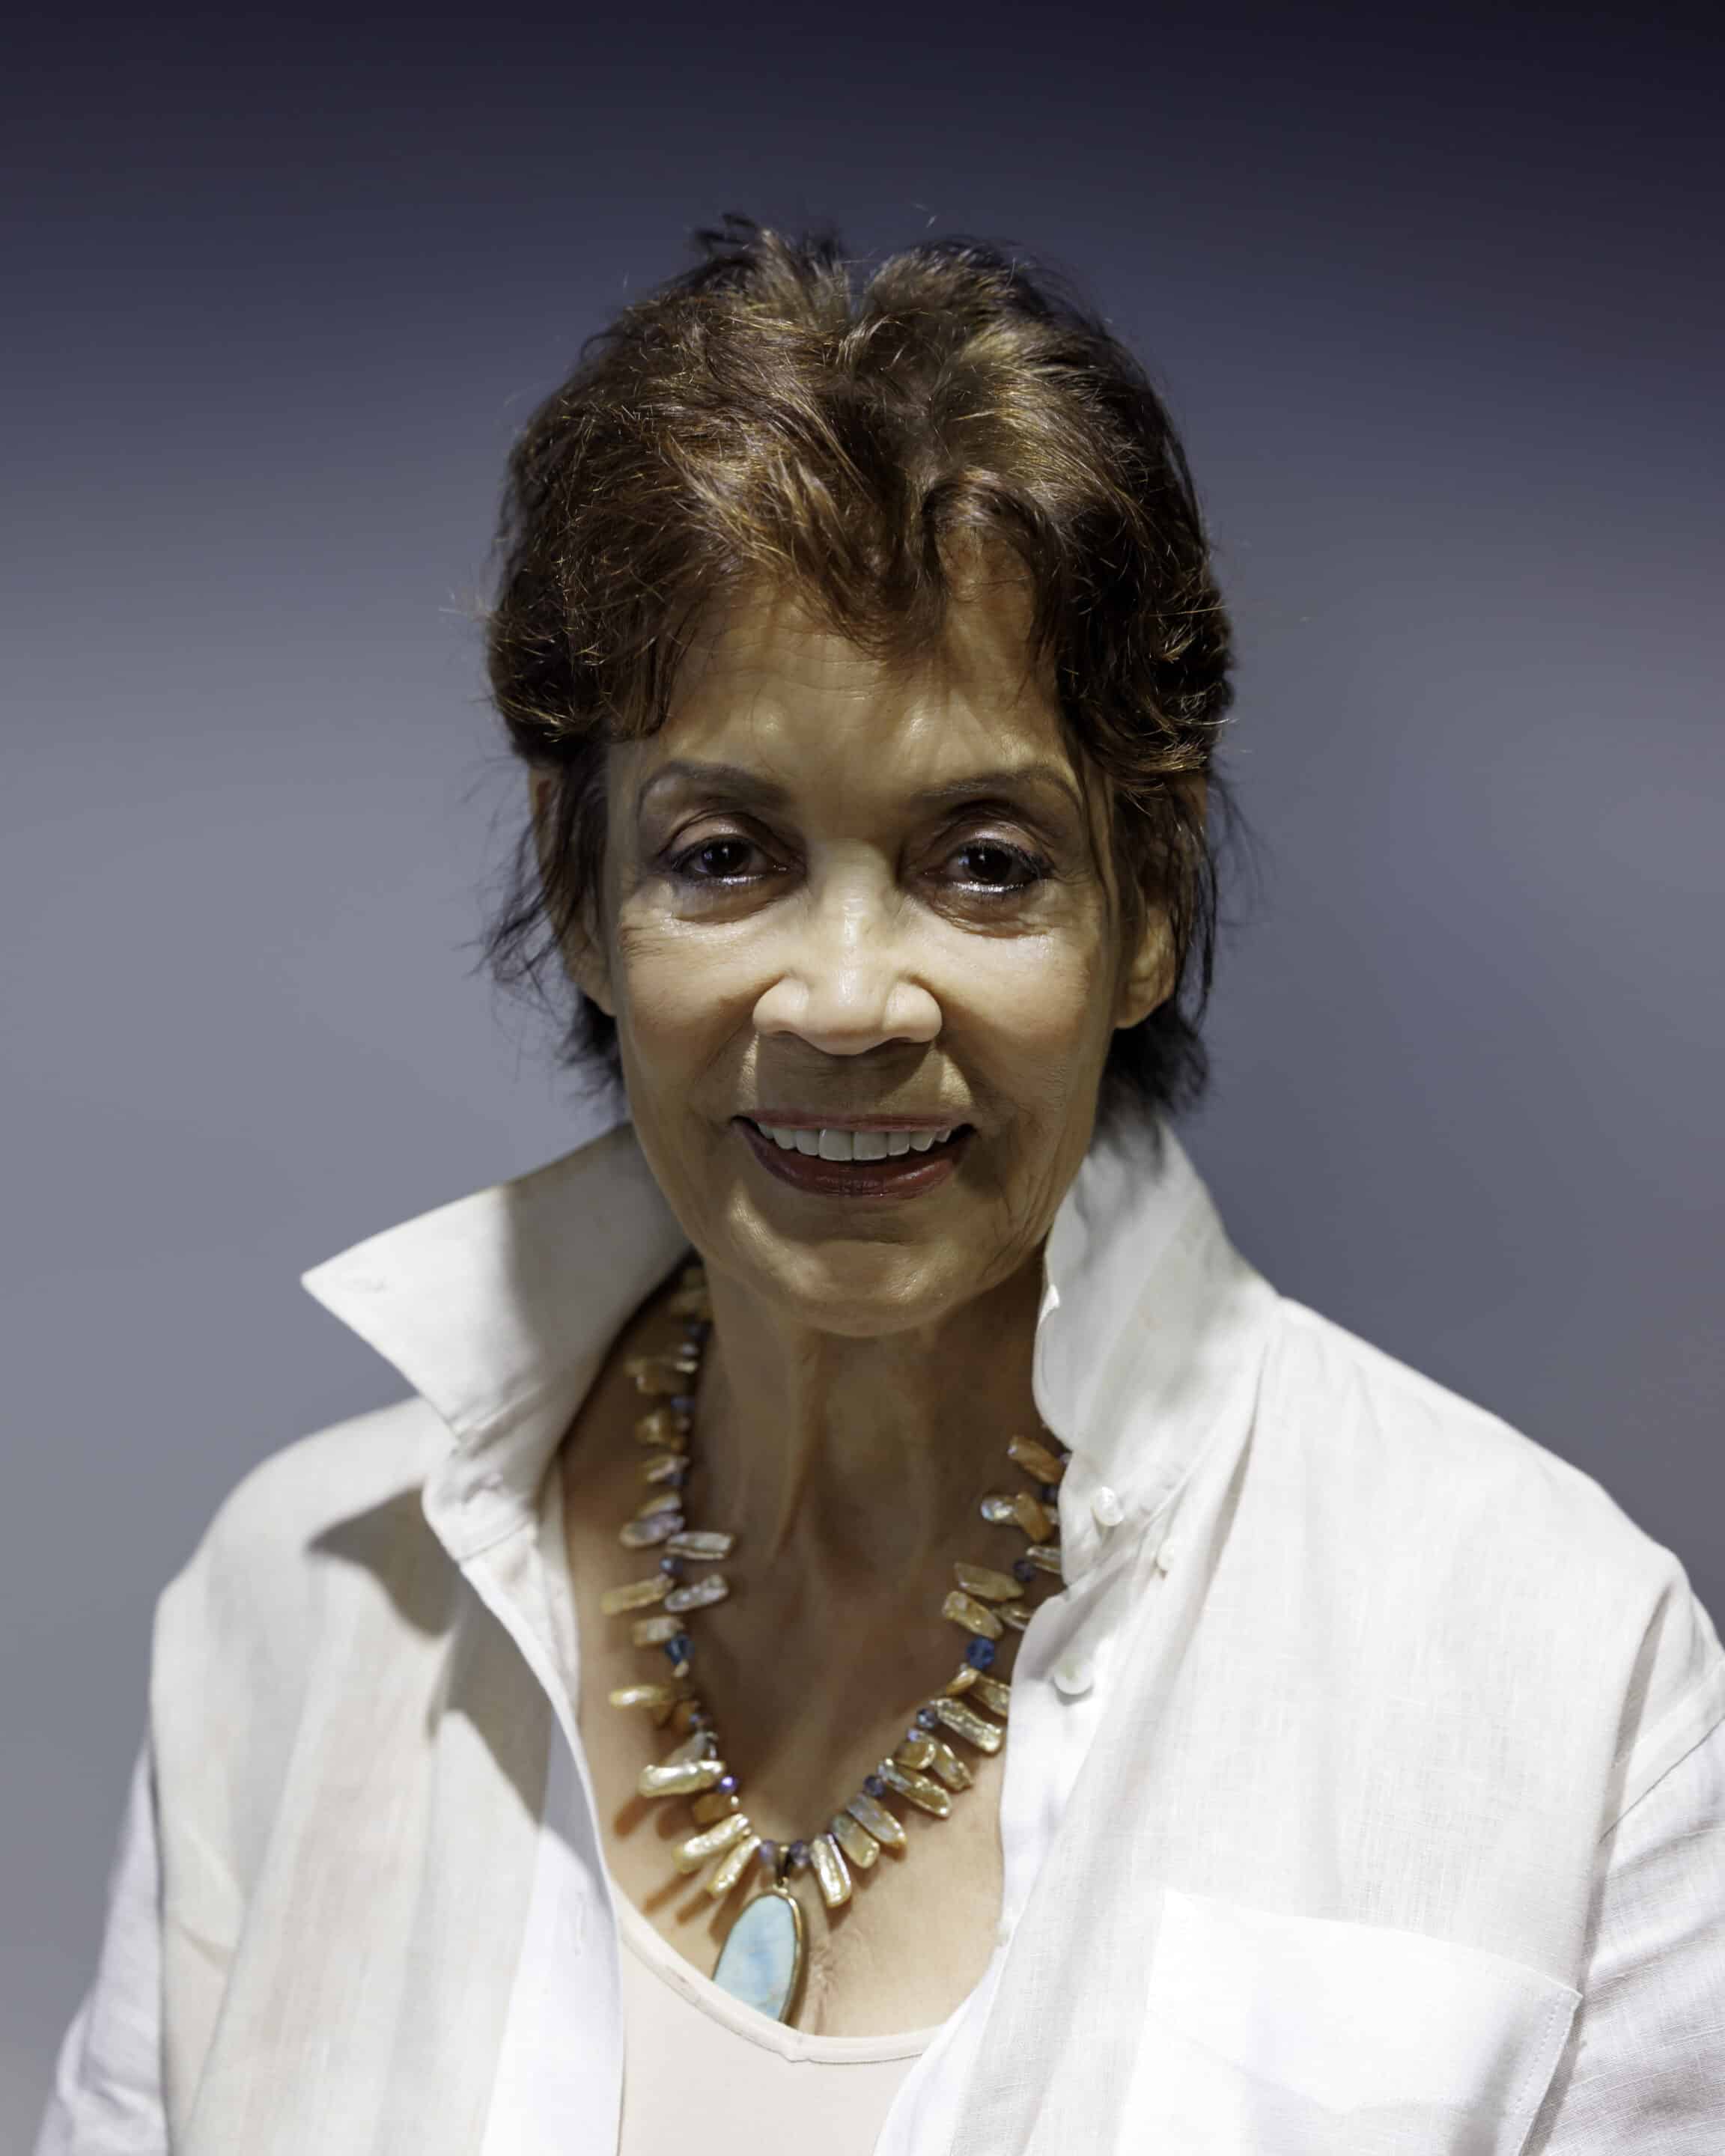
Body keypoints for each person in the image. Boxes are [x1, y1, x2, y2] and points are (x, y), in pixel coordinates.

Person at [37, 216, 1725, 2156]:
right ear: (580, 886)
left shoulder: (1568, 1689)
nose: (845, 1002)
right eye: (727, 854)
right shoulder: (295, 1621)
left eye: (986, 860)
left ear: (1150, 903)